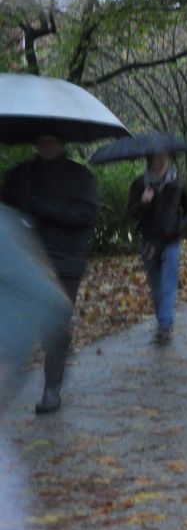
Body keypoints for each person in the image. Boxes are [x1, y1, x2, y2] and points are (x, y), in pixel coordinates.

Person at [1, 135, 99, 414]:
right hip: (26, 261)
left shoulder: (81, 177)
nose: (45, 143)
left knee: (56, 325)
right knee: (15, 326)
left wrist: (45, 208)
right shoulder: (19, 175)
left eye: (51, 139)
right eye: (40, 138)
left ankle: (52, 388)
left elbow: (88, 215)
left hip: (66, 260)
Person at [127, 152, 187, 346]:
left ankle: (165, 325)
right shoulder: (140, 184)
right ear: (149, 158)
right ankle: (163, 323)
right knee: (156, 286)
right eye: (156, 155)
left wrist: (180, 229)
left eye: (164, 154)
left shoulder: (177, 183)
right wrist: (143, 202)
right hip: (149, 242)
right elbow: (130, 213)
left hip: (171, 241)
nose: (160, 158)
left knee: (168, 283)